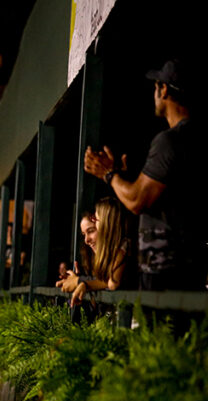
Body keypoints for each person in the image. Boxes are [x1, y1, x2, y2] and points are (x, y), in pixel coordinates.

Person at [84, 59, 207, 290]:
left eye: (155, 86)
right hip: (192, 269)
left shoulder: (170, 141)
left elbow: (137, 200)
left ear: (164, 89)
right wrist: (120, 177)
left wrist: (108, 174)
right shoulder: (196, 138)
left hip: (166, 274)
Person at [59, 198, 133, 306]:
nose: (86, 240)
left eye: (96, 220)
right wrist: (81, 280)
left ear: (106, 223)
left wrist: (81, 281)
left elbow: (112, 283)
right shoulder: (101, 256)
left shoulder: (123, 246)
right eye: (84, 234)